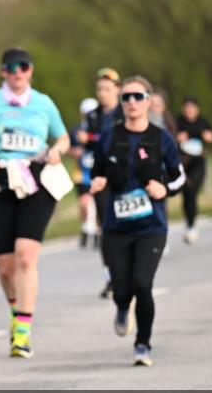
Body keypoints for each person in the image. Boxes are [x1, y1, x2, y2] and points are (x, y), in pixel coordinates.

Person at [0, 47, 70, 359]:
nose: (18, 72)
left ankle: (22, 330)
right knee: (6, 268)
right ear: (3, 72)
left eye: (24, 67)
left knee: (25, 256)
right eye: (12, 67)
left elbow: (62, 137)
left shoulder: (44, 103)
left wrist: (58, 150)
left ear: (31, 71)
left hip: (36, 181)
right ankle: (15, 309)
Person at [89, 75, 185, 367]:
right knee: (121, 287)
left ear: (148, 101)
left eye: (138, 97)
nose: (132, 102)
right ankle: (121, 305)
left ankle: (142, 344)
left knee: (143, 284)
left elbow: (180, 176)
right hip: (116, 227)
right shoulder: (109, 136)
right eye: (126, 98)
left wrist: (165, 188)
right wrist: (98, 181)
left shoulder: (160, 138)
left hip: (150, 227)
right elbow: (96, 171)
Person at [83, 67, 124, 297]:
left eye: (107, 89)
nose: (102, 93)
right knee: (106, 227)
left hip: (124, 177)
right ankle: (110, 276)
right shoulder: (92, 116)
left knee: (125, 224)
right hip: (100, 177)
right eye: (99, 89)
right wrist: (85, 140)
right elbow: (89, 144)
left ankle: (128, 271)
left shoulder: (126, 112)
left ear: (117, 90)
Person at [175, 96, 212, 244]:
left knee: (192, 191)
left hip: (198, 162)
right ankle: (190, 223)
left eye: (192, 108)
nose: (189, 111)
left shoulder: (202, 122)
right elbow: (171, 136)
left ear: (197, 109)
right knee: (187, 194)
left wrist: (208, 136)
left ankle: (191, 224)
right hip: (184, 162)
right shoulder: (178, 122)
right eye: (187, 108)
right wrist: (178, 137)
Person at [69, 97, 101, 249]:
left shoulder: (101, 127)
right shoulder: (77, 129)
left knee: (99, 204)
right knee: (84, 202)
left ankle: (97, 232)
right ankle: (85, 227)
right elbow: (67, 147)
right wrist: (75, 151)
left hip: (98, 171)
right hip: (81, 172)